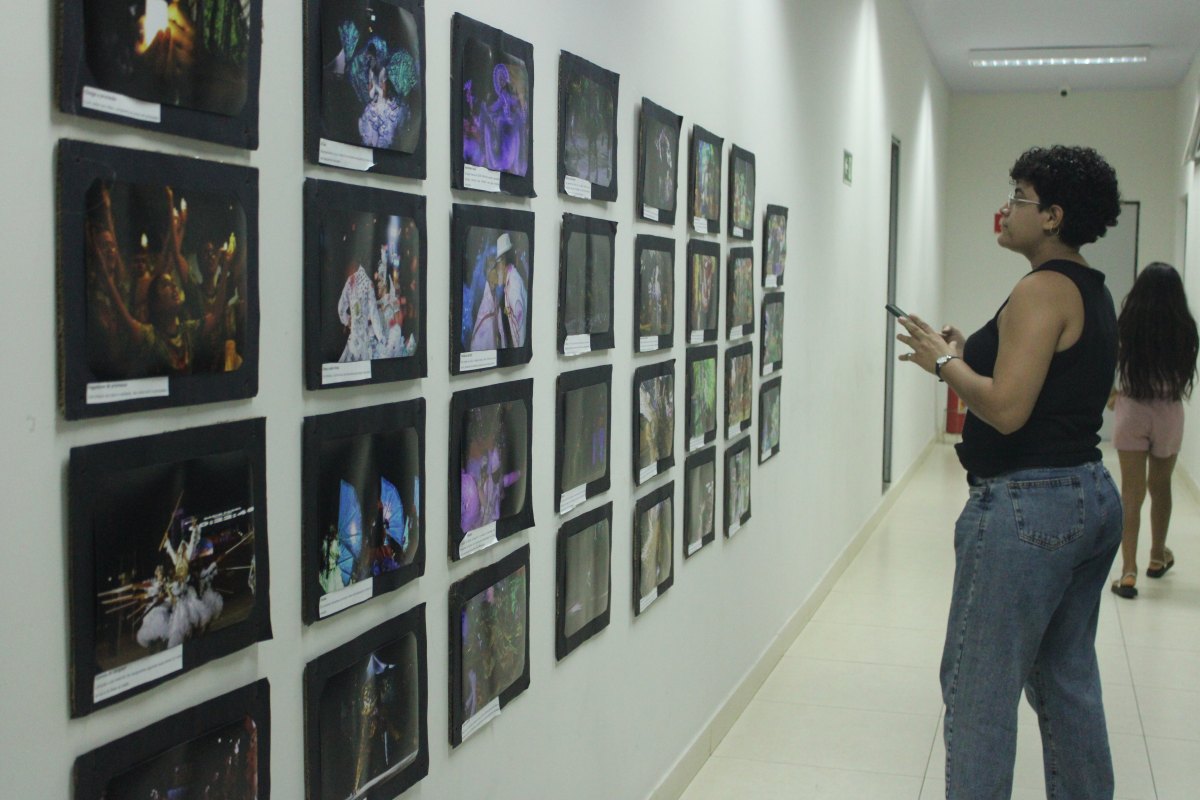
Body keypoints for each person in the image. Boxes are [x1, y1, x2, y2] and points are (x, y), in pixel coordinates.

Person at [895, 145, 1123, 799]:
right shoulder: (1090, 287)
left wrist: (943, 364)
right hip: (1088, 495)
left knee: (977, 689)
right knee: (1065, 678)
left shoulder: (1040, 289)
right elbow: (1043, 392)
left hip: (1029, 507)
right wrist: (967, 356)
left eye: (1018, 198)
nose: (1006, 209)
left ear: (1051, 215)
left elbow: (1007, 409)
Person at [1109, 262, 1197, 598]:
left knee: (1132, 494)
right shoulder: (1185, 329)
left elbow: (1111, 361)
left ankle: (1128, 572)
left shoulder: (1128, 324)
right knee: (1160, 487)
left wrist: (1111, 394)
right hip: (1168, 410)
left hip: (1132, 408)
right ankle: (1157, 556)